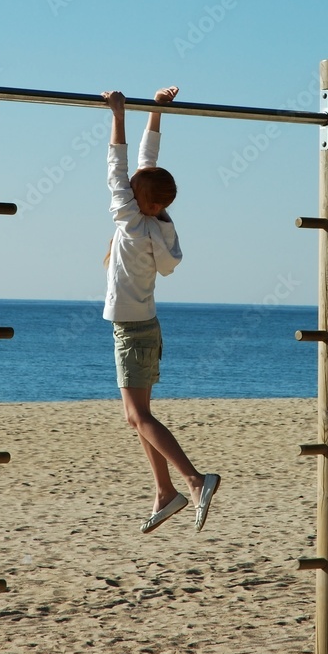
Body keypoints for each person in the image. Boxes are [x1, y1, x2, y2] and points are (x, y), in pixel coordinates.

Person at [101, 85, 220, 534]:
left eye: (132, 186)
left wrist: (118, 114)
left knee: (138, 417)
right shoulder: (160, 226)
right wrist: (155, 110)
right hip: (146, 327)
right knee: (139, 419)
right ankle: (164, 491)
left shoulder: (129, 221)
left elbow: (118, 166)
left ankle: (194, 480)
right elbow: (144, 167)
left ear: (137, 197)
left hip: (133, 332)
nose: (129, 182)